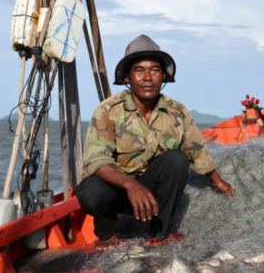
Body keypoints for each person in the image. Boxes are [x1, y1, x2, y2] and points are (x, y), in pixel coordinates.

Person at [76, 35, 236, 250]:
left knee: (176, 159)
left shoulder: (176, 111)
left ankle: (160, 232)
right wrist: (130, 184)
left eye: (154, 70)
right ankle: (107, 232)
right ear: (127, 78)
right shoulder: (108, 110)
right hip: (118, 191)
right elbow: (96, 159)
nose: (148, 77)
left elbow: (196, 150)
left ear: (164, 76)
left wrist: (217, 181)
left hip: (153, 194)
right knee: (89, 189)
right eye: (139, 70)